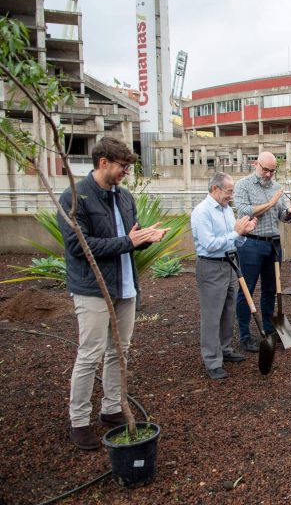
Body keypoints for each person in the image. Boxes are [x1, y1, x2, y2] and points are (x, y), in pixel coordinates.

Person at [57, 136, 169, 450]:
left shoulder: (124, 197)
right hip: (92, 289)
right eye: (122, 166)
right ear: (103, 162)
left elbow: (129, 237)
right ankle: (78, 421)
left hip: (125, 286)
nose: (126, 173)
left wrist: (147, 237)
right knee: (90, 354)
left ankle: (111, 408)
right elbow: (80, 247)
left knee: (119, 351)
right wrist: (129, 243)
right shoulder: (74, 198)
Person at [191, 172, 256, 380]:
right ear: (215, 189)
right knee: (212, 315)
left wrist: (243, 233)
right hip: (211, 267)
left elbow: (232, 239)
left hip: (229, 264)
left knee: (228, 310)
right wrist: (236, 233)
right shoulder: (202, 212)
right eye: (229, 191)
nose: (231, 195)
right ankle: (212, 360)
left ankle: (225, 349)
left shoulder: (227, 210)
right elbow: (209, 245)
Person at [233, 152, 291, 352]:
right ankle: (245, 336)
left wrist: (289, 211)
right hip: (250, 244)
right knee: (247, 290)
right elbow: (244, 211)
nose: (269, 174)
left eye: (272, 171)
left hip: (273, 244)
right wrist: (270, 203)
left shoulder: (276, 187)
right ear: (256, 164)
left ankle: (270, 329)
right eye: (266, 170)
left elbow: (280, 216)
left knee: (271, 290)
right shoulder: (243, 185)